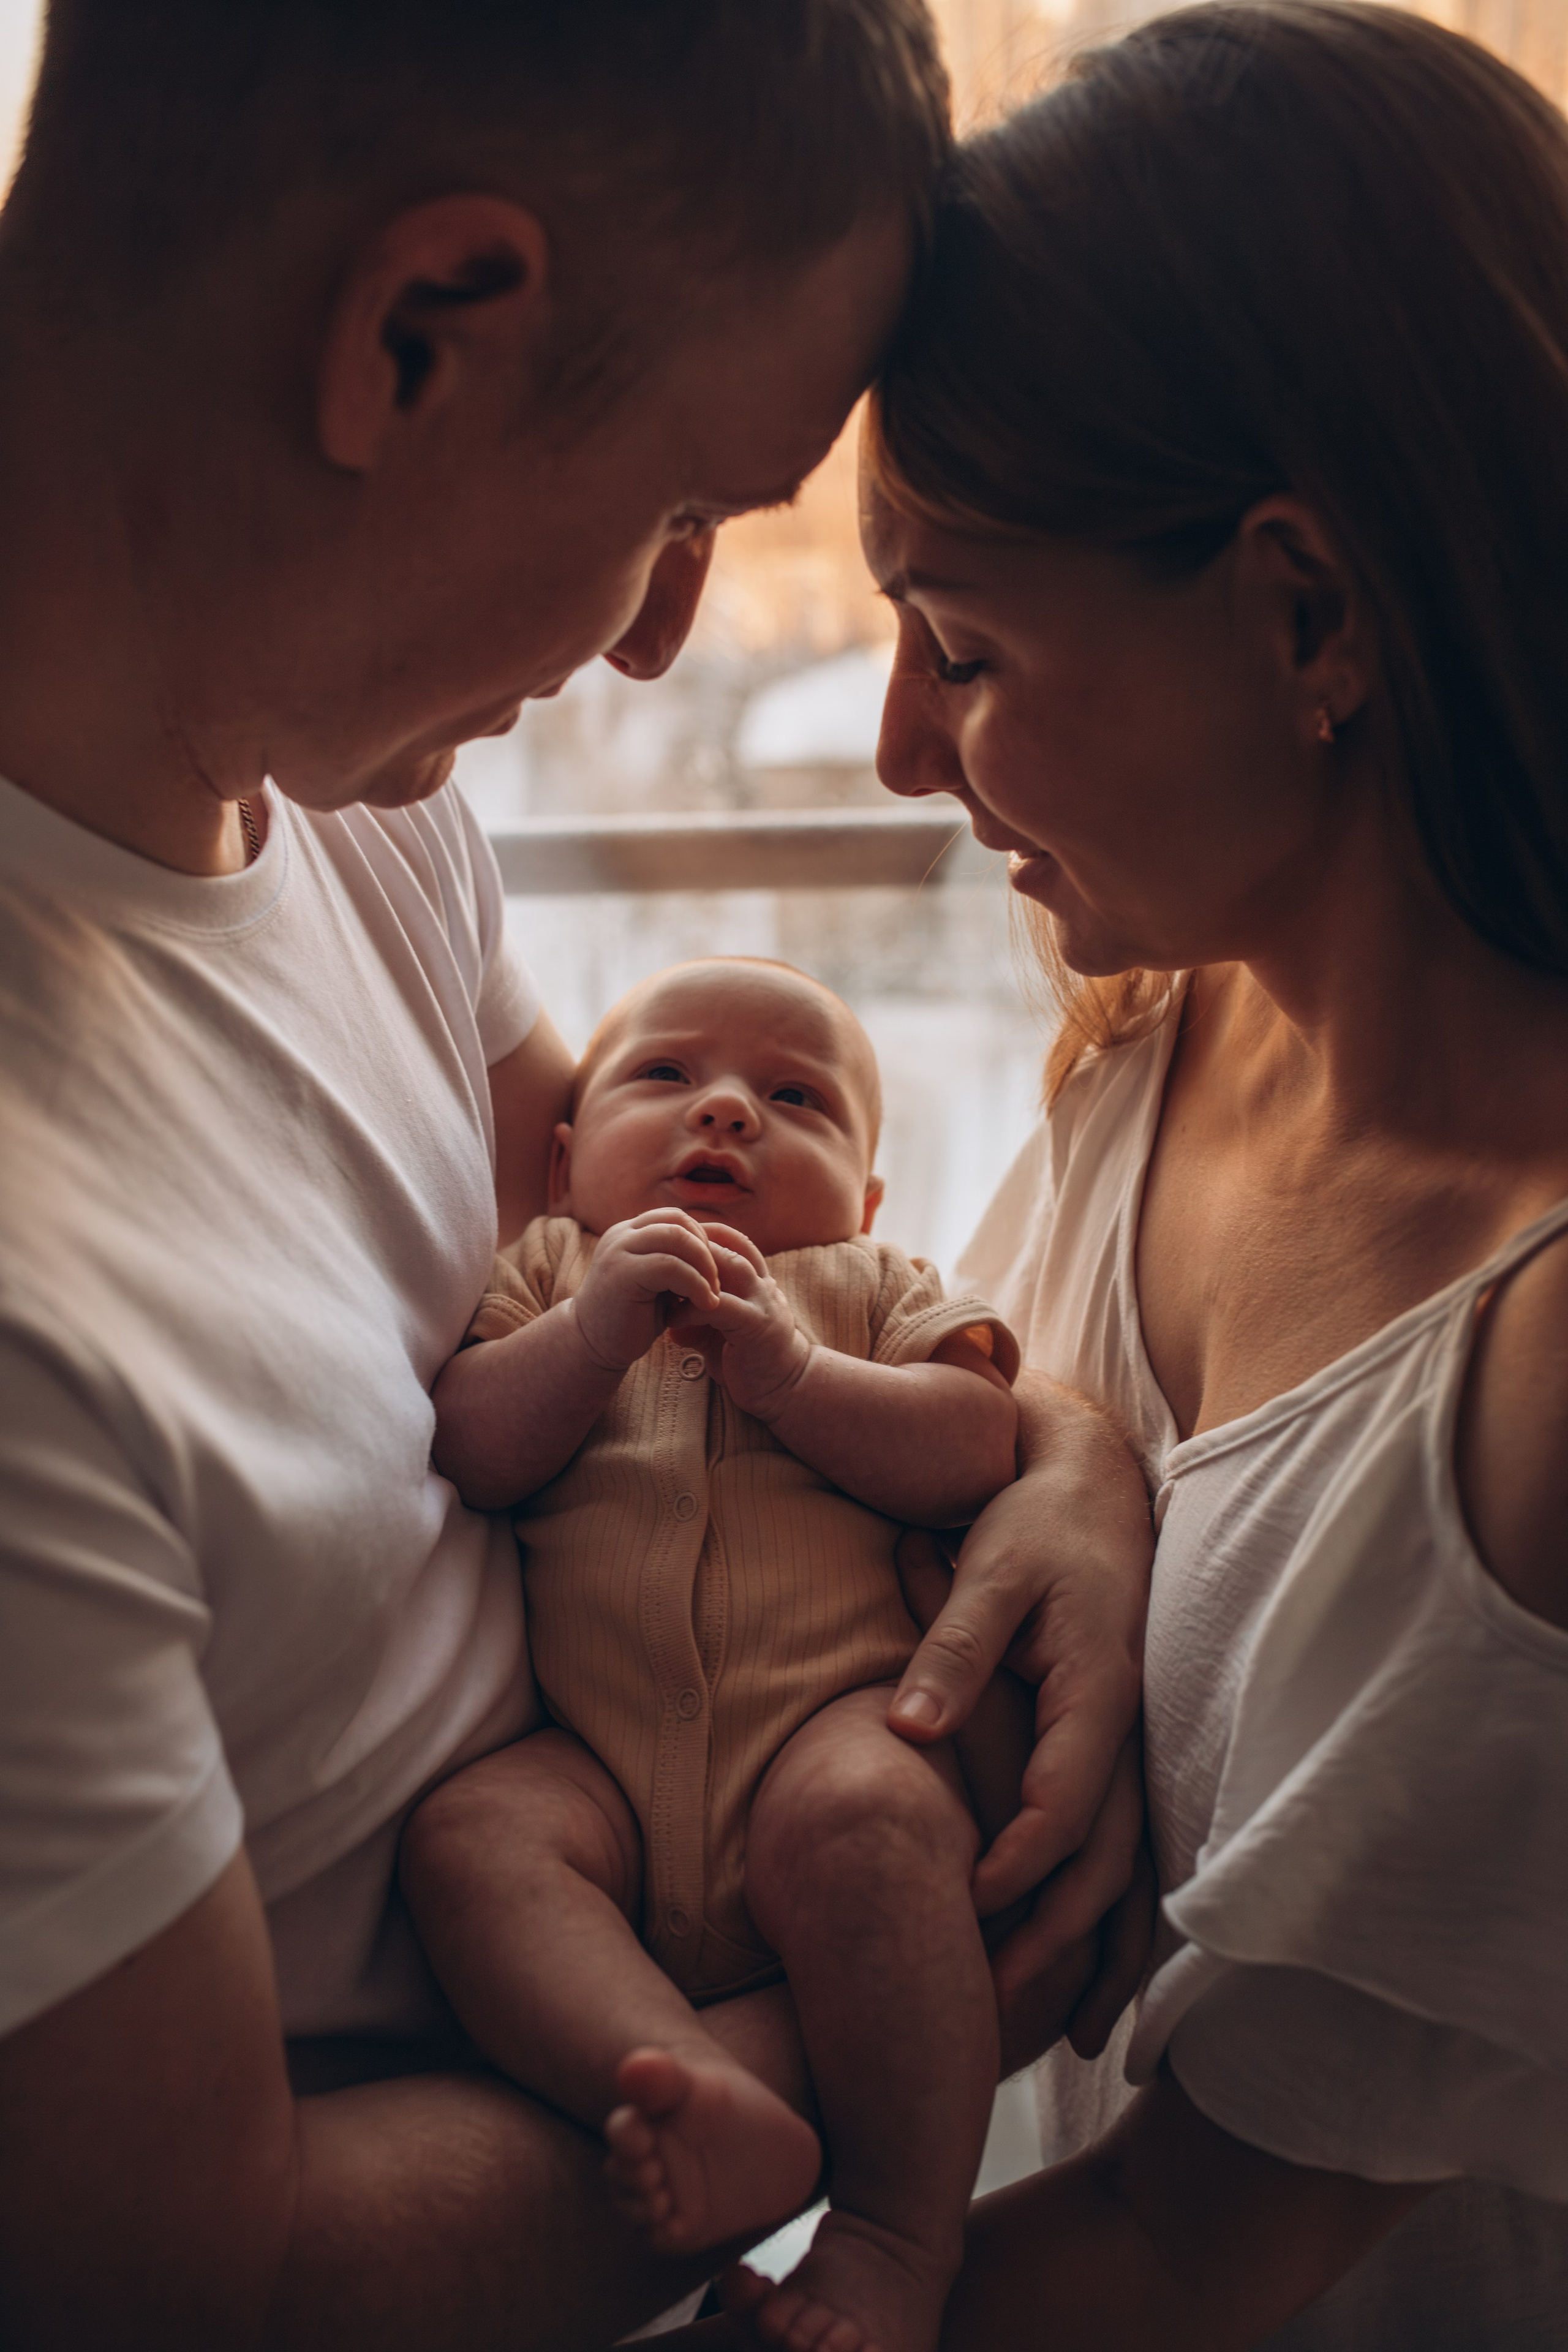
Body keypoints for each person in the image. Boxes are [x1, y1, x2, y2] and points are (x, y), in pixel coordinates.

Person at [0, 7, 1156, 2348]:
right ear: (420, 335)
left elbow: (651, 1200)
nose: (664, 636)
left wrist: (1068, 1465)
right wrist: (871, 2032)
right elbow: (181, 2279)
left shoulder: (344, 784)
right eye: (682, 503)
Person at [728, 4, 1568, 2346]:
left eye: (964, 650)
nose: (904, 753)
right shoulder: (1169, 1012)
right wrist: (1077, 1460)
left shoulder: (1529, 1383)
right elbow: (1034, 1419)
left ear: (1308, 615)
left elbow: (1179, 2259)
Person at [406, 956, 1031, 2352]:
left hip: (827, 1732)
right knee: (472, 1835)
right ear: (564, 1159)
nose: (729, 1113)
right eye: (667, 1076)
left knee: (867, 1815)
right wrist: (581, 1340)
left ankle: (890, 2238)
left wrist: (795, 1375)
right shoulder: (553, 1271)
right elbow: (471, 1448)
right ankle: (696, 2089)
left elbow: (976, 1446)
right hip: (600, 1778)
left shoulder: (868, 1285)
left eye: (794, 1098)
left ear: (866, 1195)